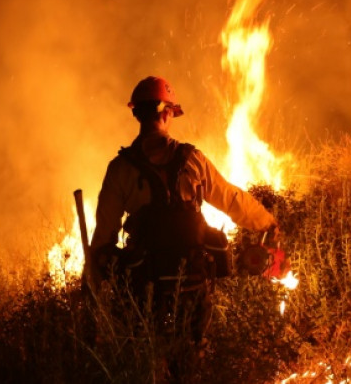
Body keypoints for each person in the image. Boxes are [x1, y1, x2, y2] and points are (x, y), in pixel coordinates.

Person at [89, 76, 278, 354]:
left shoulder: (120, 169)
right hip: (192, 279)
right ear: (168, 113)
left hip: (145, 285)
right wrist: (267, 223)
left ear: (137, 114)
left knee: (147, 349)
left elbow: (104, 237)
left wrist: (91, 285)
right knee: (194, 349)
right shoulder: (193, 160)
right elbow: (231, 199)